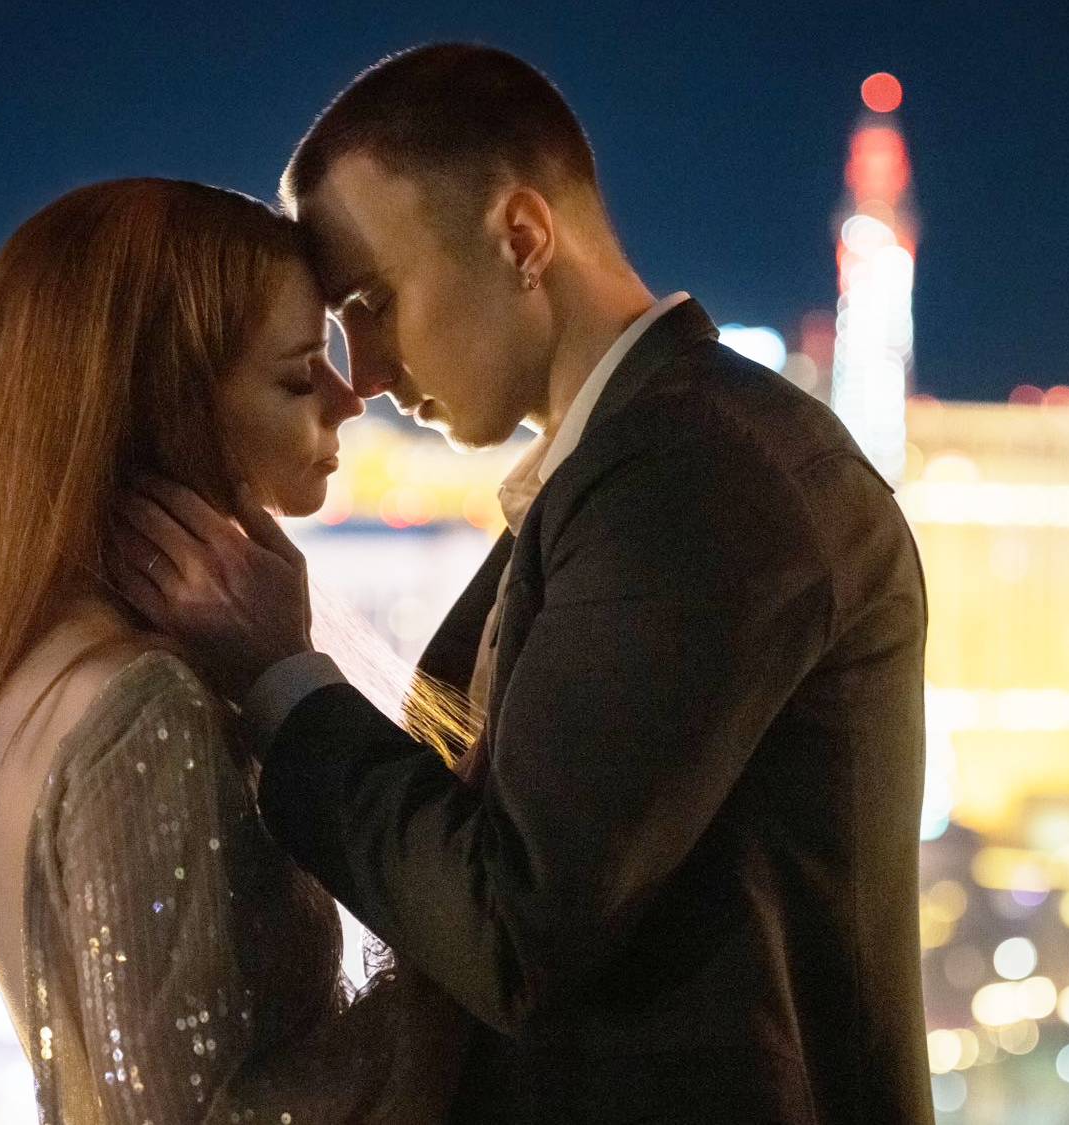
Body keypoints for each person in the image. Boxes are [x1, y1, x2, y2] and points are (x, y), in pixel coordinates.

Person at [116, 45, 934, 1123]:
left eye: (373, 301)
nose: (366, 372)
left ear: (520, 239)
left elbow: (512, 925)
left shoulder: (701, 472)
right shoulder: (627, 468)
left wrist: (284, 681)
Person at [0, 178, 460, 1124]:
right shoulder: (142, 708)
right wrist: (458, 982)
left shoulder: (21, 680)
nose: (350, 399)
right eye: (297, 375)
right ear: (161, 410)